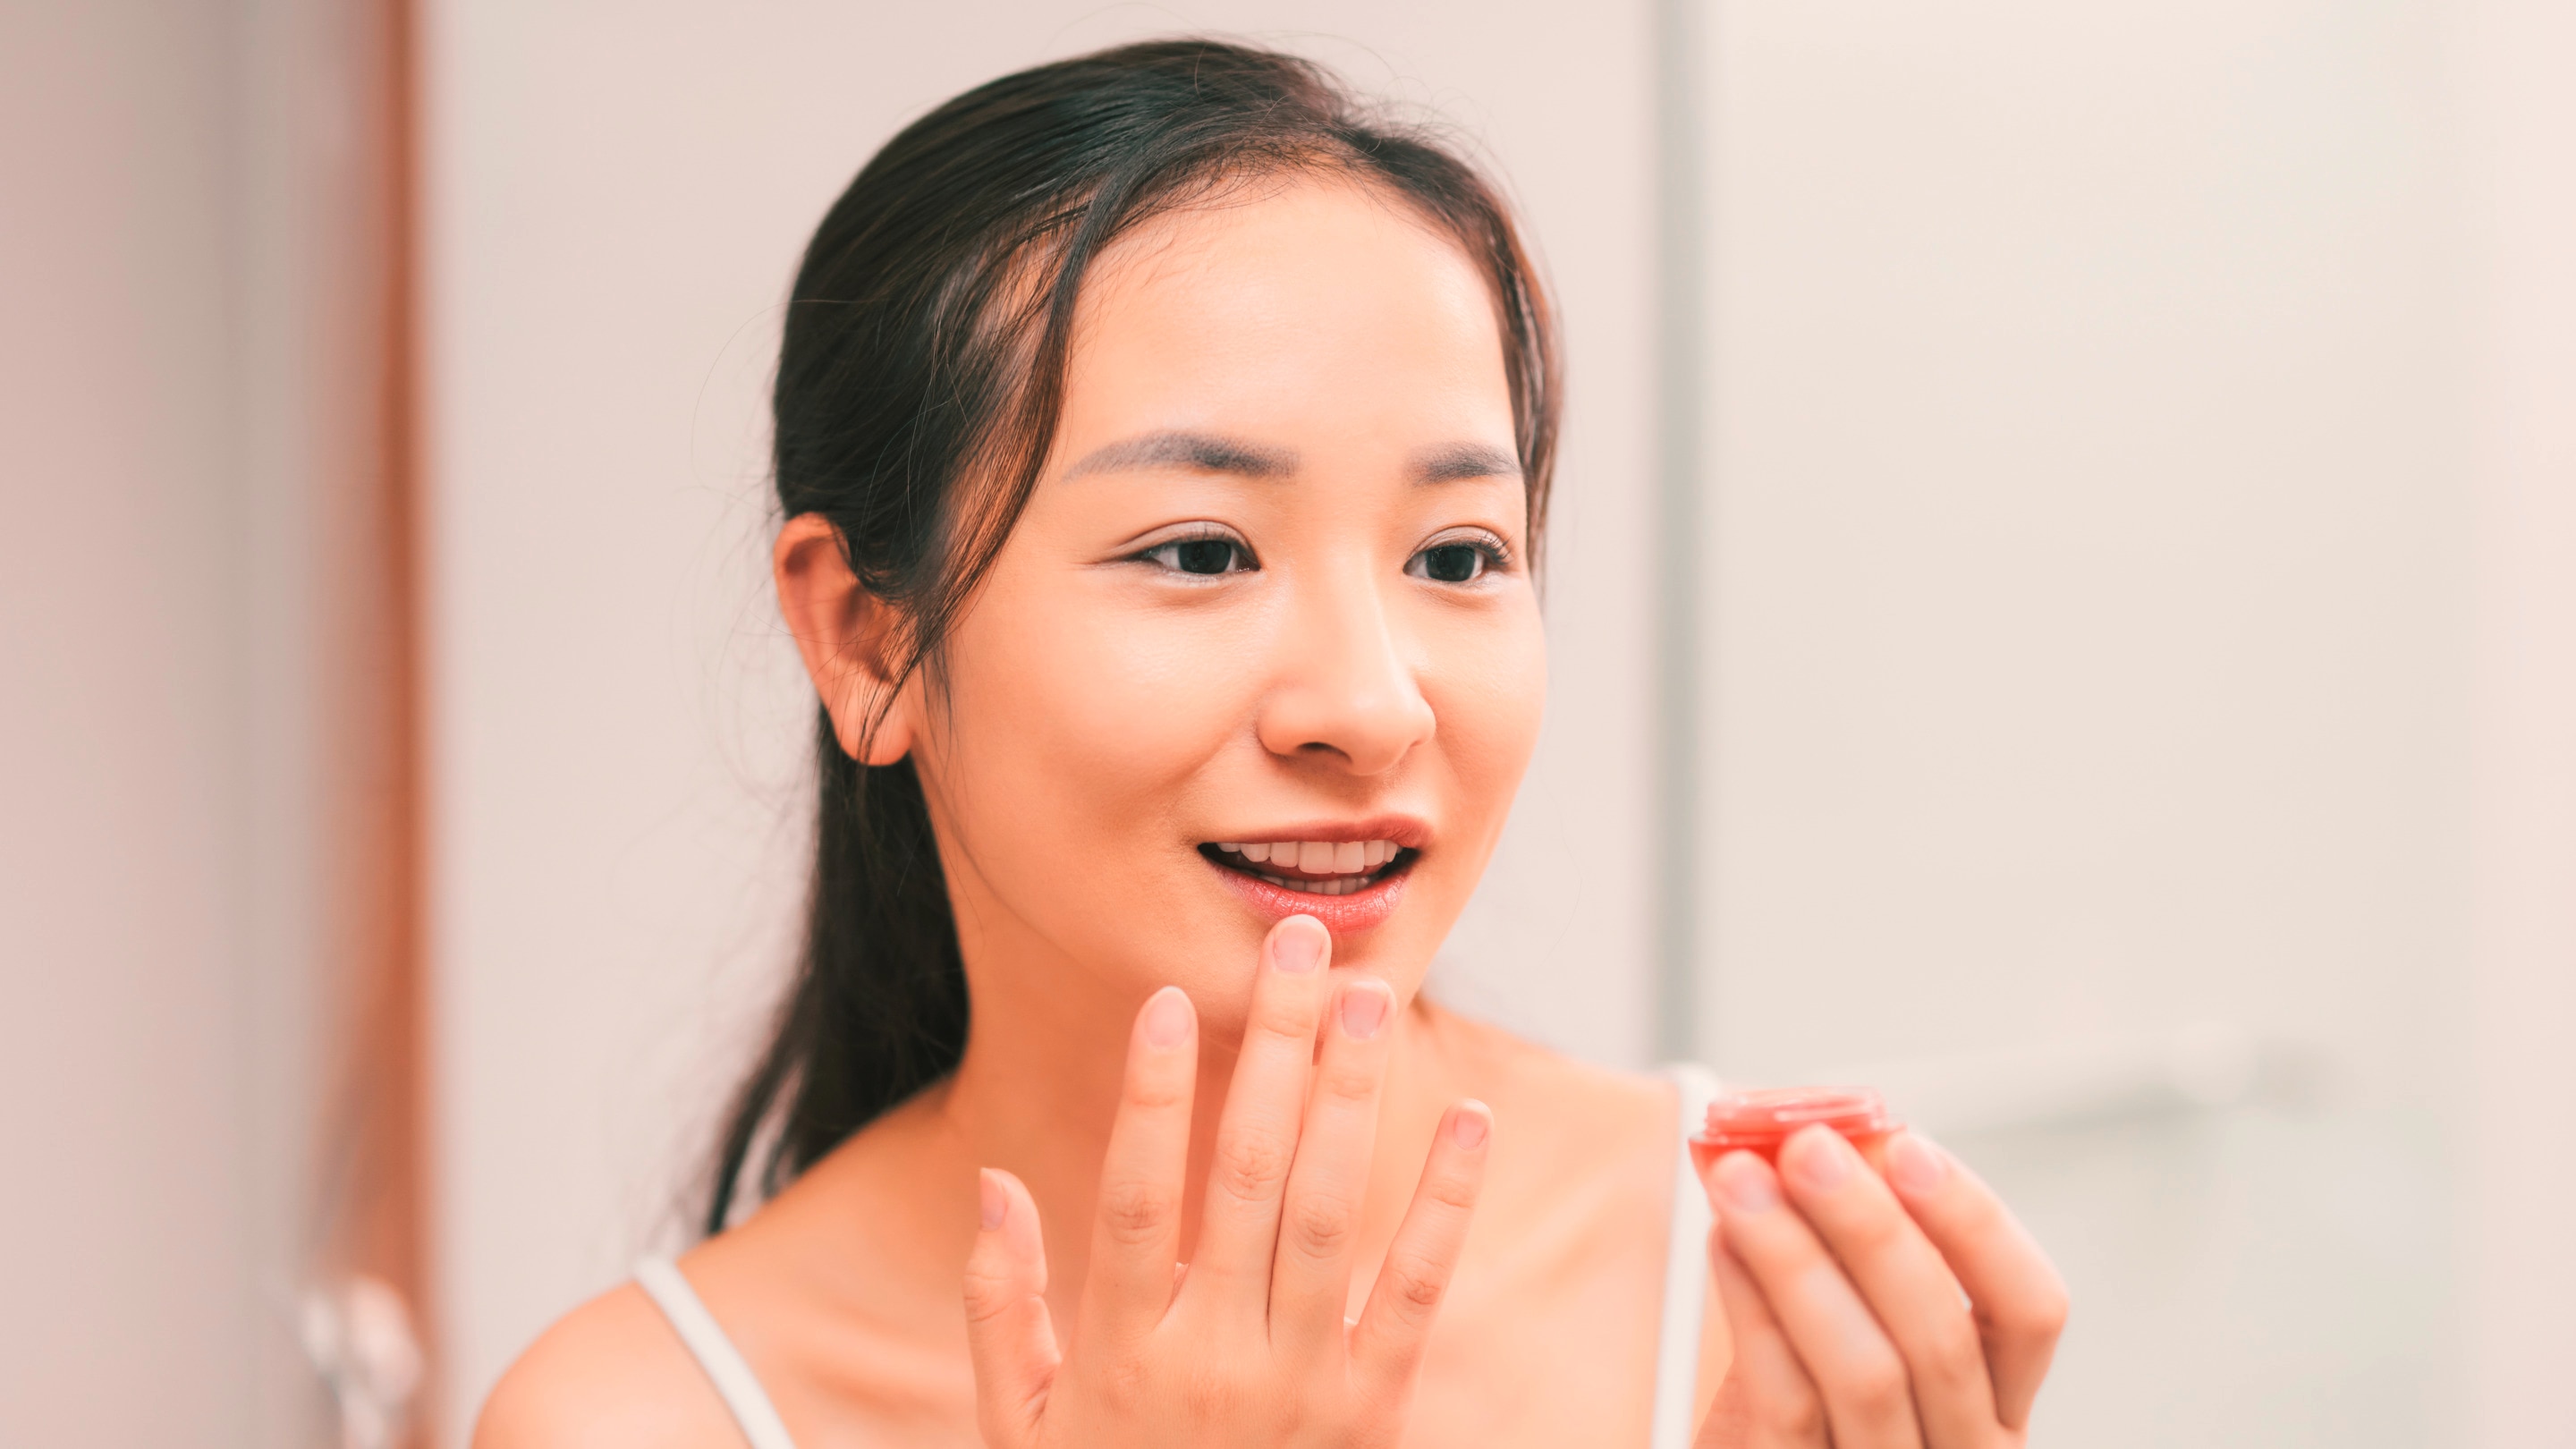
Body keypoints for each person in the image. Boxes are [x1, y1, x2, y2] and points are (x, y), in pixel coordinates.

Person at [474, 39, 2066, 1449]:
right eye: (1198, 550)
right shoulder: (641, 1417)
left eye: (1457, 557)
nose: (1372, 709)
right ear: (868, 638)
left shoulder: (1775, 1302)